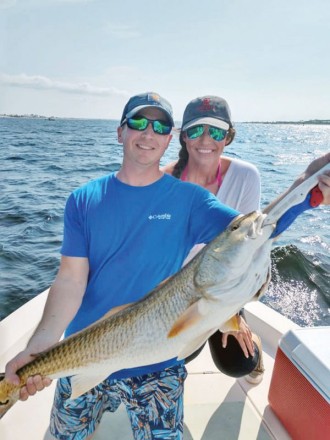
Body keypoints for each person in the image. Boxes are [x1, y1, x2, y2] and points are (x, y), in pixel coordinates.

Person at [4, 90, 330, 439]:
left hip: (158, 366)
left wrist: (309, 184)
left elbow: (258, 228)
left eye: (160, 126)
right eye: (138, 122)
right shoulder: (83, 200)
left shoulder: (191, 200)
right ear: (120, 131)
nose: (148, 133)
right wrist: (39, 347)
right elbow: (69, 281)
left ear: (170, 138)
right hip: (84, 349)